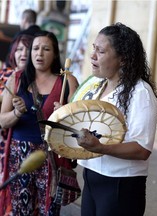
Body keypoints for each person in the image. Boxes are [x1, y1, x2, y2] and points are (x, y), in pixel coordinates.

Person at [71, 22, 157, 216]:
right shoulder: (97, 86)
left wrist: (101, 148)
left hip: (120, 184)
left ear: (123, 59)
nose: (92, 56)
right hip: (92, 176)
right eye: (93, 49)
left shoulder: (140, 93)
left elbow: (142, 149)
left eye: (101, 51)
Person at [0, 30, 79, 215]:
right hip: (20, 156)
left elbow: (78, 127)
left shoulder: (67, 81)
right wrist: (17, 112)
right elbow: (2, 121)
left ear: (55, 54)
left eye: (46, 49)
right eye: (35, 48)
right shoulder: (17, 79)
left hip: (52, 157)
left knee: (49, 210)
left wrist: (64, 116)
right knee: (21, 210)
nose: (39, 54)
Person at [0, 33, 33, 216]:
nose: (24, 53)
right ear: (13, 52)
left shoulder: (36, 80)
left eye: (28, 49)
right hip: (4, 145)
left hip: (21, 148)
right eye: (19, 49)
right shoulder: (6, 76)